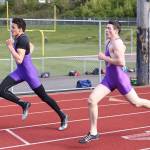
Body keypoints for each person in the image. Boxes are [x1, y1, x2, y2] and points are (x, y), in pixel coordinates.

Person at [79, 20, 150, 143]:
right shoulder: (108, 41)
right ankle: (94, 132)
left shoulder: (117, 43)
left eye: (109, 28)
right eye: (106, 28)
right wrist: (106, 64)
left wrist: (104, 57)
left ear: (116, 30)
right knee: (91, 100)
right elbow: (112, 61)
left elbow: (121, 62)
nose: (106, 30)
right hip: (109, 79)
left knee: (137, 103)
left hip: (120, 80)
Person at [0, 18, 68, 131]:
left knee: (44, 97)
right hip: (20, 72)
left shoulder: (22, 39)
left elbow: (19, 60)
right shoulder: (20, 38)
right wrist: (28, 53)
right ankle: (24, 104)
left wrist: (10, 47)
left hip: (29, 73)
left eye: (13, 27)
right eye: (11, 27)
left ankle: (63, 115)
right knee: (1, 90)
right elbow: (31, 46)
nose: (11, 29)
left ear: (20, 29)